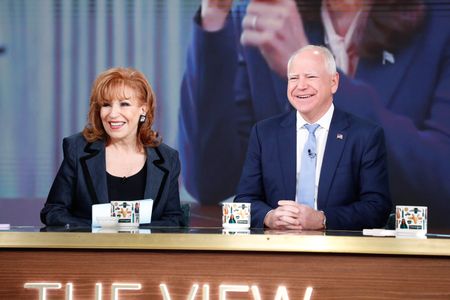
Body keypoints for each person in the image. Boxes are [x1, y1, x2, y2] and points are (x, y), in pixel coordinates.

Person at [179, 0, 450, 230]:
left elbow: (441, 178)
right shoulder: (263, 18)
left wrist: (310, 72)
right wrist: (214, 15)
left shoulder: (441, 21)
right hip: (284, 261)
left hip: (399, 263)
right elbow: (208, 182)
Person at [235, 45, 391, 230]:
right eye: (293, 78)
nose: (301, 86)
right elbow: (244, 201)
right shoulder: (264, 133)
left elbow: (377, 208)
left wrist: (323, 220)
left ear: (333, 82)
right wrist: (269, 217)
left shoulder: (364, 136)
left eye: (310, 77)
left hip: (339, 251)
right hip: (276, 248)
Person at [41, 67, 183, 227]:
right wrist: (100, 231)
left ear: (143, 109)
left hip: (144, 252)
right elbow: (53, 212)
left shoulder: (167, 159)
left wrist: (131, 232)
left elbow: (173, 220)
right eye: (106, 105)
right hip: (91, 249)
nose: (113, 114)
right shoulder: (77, 149)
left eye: (124, 104)